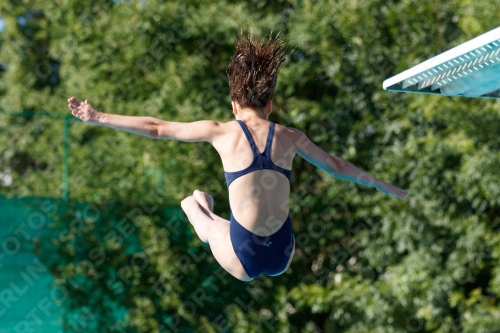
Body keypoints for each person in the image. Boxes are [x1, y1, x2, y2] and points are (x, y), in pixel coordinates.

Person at [68, 31, 409, 282]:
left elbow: (157, 128)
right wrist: (383, 186)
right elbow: (336, 165)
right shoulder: (291, 137)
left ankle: (194, 205)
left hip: (243, 258)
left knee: (205, 219)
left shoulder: (222, 132)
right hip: (283, 253)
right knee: (239, 222)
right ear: (271, 105)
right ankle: (203, 209)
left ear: (233, 107)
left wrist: (99, 117)